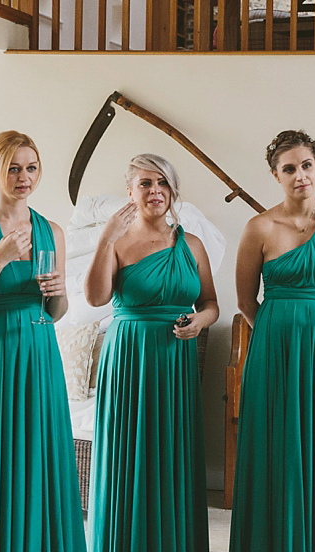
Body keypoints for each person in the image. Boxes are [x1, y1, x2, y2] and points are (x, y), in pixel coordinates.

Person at [0, 131, 86, 552]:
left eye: (31, 167)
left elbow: (55, 313)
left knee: (36, 454)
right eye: (13, 168)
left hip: (38, 352)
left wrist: (58, 292)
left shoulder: (53, 231)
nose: (24, 177)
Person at [230, 130, 315, 552]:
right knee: (276, 446)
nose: (300, 175)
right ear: (276, 175)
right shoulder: (260, 227)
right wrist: (276, 330)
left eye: (306, 165)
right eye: (289, 169)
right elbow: (245, 299)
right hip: (274, 348)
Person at [85, 153, 218, 552]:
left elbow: (211, 303)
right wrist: (106, 238)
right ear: (130, 192)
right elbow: (95, 298)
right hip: (128, 357)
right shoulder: (118, 241)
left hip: (175, 360)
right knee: (128, 453)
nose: (155, 191)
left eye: (162, 184)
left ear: (173, 191)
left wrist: (200, 322)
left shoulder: (191, 245)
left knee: (171, 455)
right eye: (145, 184)